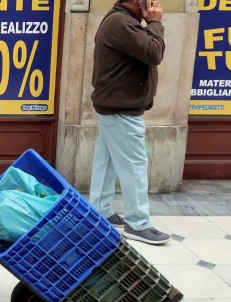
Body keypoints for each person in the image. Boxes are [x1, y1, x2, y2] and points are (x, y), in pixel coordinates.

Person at [89, 0, 170, 245]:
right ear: (138, 2)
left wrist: (148, 22)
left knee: (107, 162)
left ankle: (99, 211)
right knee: (135, 166)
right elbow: (154, 53)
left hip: (115, 107)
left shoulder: (122, 20)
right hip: (121, 110)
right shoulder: (122, 23)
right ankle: (138, 224)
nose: (155, 3)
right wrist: (155, 22)